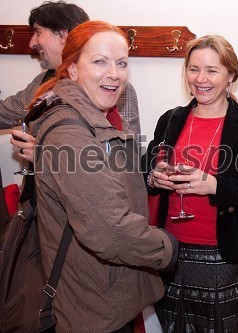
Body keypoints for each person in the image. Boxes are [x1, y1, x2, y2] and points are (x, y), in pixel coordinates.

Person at [26, 20, 178, 332]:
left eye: (121, 63)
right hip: (90, 307)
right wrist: (166, 248)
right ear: (71, 69)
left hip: (102, 297)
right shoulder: (71, 131)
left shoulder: (94, 118)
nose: (114, 73)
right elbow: (109, 230)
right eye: (100, 62)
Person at [142, 34, 238, 332]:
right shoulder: (170, 119)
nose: (201, 79)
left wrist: (216, 186)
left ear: (230, 75)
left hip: (222, 258)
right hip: (170, 252)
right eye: (193, 69)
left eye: (212, 70)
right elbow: (146, 168)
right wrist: (154, 176)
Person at [3, 0, 141, 163]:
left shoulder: (113, 89)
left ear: (63, 34)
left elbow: (127, 160)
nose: (32, 42)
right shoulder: (43, 82)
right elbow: (6, 112)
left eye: (38, 32)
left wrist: (46, 156)